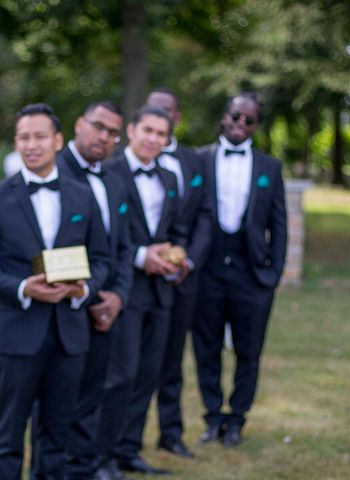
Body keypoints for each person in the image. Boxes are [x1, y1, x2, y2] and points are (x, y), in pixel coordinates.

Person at [0, 103, 109, 480]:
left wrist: (83, 289)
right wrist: (23, 288)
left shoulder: (82, 195)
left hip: (70, 335)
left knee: (56, 433)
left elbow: (102, 258)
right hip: (17, 334)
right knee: (8, 434)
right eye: (23, 137)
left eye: (39, 136)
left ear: (58, 140)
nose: (31, 145)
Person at [193, 92, 287, 447]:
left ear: (256, 126)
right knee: (207, 349)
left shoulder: (270, 167)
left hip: (252, 275)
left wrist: (273, 274)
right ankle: (213, 417)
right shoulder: (199, 159)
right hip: (207, 272)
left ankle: (237, 420)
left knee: (249, 352)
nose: (240, 124)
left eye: (249, 120)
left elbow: (279, 225)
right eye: (236, 116)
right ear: (225, 117)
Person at [97, 106, 187, 476]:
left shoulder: (168, 177)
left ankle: (129, 450)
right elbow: (105, 231)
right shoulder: (110, 171)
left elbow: (176, 229)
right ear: (131, 131)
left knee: (148, 373)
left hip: (160, 291)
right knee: (120, 375)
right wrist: (139, 257)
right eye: (147, 130)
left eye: (161, 134)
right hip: (124, 288)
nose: (153, 138)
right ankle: (101, 456)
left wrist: (178, 259)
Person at [55, 101, 134, 480]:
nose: (104, 137)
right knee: (57, 400)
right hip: (61, 304)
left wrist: (117, 295)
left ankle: (84, 467)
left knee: (92, 393)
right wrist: (83, 292)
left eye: (112, 133)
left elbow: (124, 245)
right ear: (79, 124)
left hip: (105, 304)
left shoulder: (117, 180)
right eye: (98, 127)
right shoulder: (52, 171)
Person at [145, 88, 213, 459]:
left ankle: (171, 433)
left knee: (172, 360)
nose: (161, 117)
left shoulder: (194, 161)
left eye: (167, 112)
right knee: (134, 363)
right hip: (138, 278)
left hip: (182, 280)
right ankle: (124, 439)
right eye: (154, 111)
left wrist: (189, 261)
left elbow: (205, 214)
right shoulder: (124, 163)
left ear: (178, 118)